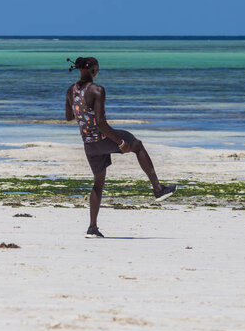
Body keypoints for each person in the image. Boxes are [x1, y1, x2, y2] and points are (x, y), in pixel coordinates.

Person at [65, 57, 177, 238]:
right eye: (97, 68)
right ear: (93, 70)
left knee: (98, 184)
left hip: (89, 145)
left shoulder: (71, 91)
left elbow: (69, 117)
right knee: (138, 146)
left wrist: (81, 111)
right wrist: (120, 142)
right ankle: (158, 189)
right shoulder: (97, 90)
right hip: (102, 139)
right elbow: (101, 123)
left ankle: (92, 228)